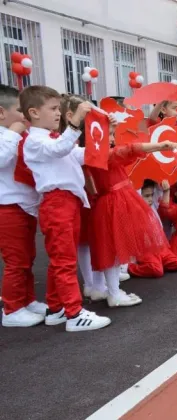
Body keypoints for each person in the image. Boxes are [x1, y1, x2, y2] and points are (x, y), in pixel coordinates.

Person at [20, 86, 111, 331]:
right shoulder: (35, 141)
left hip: (68, 202)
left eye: (58, 108)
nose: (58, 113)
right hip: (57, 203)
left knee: (61, 259)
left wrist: (104, 131)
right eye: (52, 109)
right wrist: (77, 122)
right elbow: (60, 149)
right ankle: (74, 313)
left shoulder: (53, 139)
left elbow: (78, 154)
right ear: (34, 113)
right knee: (64, 260)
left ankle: (57, 307)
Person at [86, 106, 177, 307]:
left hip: (112, 201)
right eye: (107, 135)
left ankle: (106, 289)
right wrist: (161, 145)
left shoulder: (95, 156)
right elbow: (130, 149)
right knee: (114, 249)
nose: (111, 138)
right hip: (116, 202)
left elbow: (126, 151)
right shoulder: (103, 156)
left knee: (112, 249)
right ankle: (114, 293)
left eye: (111, 134)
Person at [0, 84, 47, 327]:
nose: (23, 115)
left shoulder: (16, 135)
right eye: (19, 110)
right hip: (6, 208)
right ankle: (12, 308)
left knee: (27, 257)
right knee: (16, 260)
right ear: (1, 113)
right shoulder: (6, 136)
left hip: (24, 206)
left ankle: (26, 300)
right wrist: (13, 133)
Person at [128, 180, 177, 278]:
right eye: (146, 196)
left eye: (151, 195)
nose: (150, 199)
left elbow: (160, 190)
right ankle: (132, 268)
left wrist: (166, 190)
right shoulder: (134, 212)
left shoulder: (153, 206)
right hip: (146, 251)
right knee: (157, 271)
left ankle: (156, 263)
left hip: (160, 248)